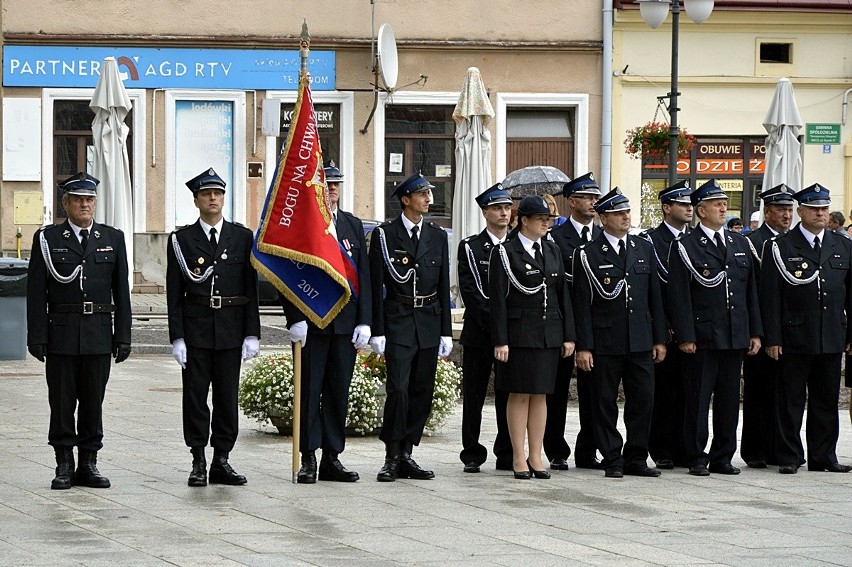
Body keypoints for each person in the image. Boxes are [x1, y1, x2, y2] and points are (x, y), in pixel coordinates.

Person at [27, 172, 132, 490]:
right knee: (61, 402)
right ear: (66, 204)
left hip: (99, 333)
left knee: (92, 402)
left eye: (89, 200)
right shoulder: (48, 240)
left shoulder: (112, 239)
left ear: (95, 203)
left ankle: (89, 462)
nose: (85, 205)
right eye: (78, 200)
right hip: (60, 333)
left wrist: (123, 335)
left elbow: (121, 293)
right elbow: (36, 293)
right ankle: (63, 463)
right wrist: (37, 335)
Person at [166, 168, 260, 487]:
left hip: (231, 329)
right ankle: (197, 459)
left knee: (225, 397)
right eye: (206, 194)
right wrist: (177, 337)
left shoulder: (242, 237)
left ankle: (222, 459)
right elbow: (174, 292)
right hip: (196, 331)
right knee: (194, 397)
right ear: (196, 200)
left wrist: (252, 333)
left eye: (218, 193)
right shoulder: (181, 240)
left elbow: (250, 290)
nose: (213, 198)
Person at [282, 162, 371, 483]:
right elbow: (289, 276)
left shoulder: (352, 225)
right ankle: (308, 457)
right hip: (313, 323)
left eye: (336, 184)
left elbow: (364, 277)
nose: (332, 189)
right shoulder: (303, 228)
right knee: (309, 391)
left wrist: (365, 321)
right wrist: (295, 318)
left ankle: (332, 457)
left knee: (337, 392)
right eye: (326, 184)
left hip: (345, 325)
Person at [667, 179, 762, 477]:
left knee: (729, 400)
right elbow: (679, 296)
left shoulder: (739, 242)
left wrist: (755, 331)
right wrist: (685, 336)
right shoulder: (685, 246)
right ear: (700, 210)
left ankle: (723, 455)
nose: (723, 207)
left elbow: (751, 293)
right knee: (697, 399)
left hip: (734, 333)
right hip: (703, 335)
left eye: (724, 203)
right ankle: (696, 455)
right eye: (716, 204)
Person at [573, 189, 667, 478]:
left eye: (627, 212)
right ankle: (612, 456)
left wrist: (659, 338)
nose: (626, 217)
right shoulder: (587, 253)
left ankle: (637, 456)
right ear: (603, 218)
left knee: (643, 400)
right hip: (605, 340)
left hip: (639, 338)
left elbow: (655, 298)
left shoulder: (643, 248)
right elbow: (581, 305)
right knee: (604, 402)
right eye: (618, 213)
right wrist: (584, 346)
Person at [760, 183, 852, 474]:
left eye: (824, 208)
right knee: (791, 400)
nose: (821, 214)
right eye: (814, 209)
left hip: (831, 334)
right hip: (794, 335)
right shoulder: (780, 246)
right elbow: (770, 296)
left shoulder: (843, 245)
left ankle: (824, 456)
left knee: (826, 400)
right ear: (801, 211)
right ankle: (789, 456)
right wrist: (772, 337)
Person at [369, 172, 452, 482]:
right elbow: (376, 286)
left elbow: (443, 285)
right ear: (406, 200)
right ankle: (391, 454)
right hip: (399, 319)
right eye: (422, 194)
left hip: (428, 320)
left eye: (428, 193)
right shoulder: (385, 235)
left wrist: (445, 329)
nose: (428, 199)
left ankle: (408, 453)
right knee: (399, 389)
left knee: (422, 390)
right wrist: (377, 329)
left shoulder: (437, 235)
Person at [490, 195, 576, 479]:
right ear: (524, 220)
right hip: (519, 334)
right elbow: (498, 301)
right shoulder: (506, 252)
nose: (545, 223)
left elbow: (562, 295)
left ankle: (536, 455)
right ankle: (517, 456)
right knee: (520, 394)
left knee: (541, 395)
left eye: (548, 219)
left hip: (548, 333)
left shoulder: (551, 250)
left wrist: (568, 336)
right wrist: (500, 339)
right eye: (540, 219)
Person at [546, 172, 602, 470]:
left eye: (596, 197)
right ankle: (556, 449)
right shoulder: (556, 237)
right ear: (572, 201)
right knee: (556, 392)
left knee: (594, 393)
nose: (594, 202)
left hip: (595, 326)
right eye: (587, 197)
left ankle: (588, 449)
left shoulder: (602, 236)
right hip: (564, 325)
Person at [457, 183, 513, 473]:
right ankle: (472, 452)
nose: (504, 213)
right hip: (480, 333)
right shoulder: (471, 247)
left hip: (511, 336)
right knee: (475, 395)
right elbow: (473, 292)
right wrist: (497, 328)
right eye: (498, 208)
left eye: (507, 207)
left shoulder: (518, 245)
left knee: (508, 394)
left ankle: (506, 451)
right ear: (485, 212)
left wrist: (509, 329)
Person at [740, 183, 794, 469]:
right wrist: (757, 331)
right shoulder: (753, 241)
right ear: (767, 211)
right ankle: (756, 449)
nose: (787, 215)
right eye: (781, 209)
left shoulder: (793, 241)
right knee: (758, 391)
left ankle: (780, 447)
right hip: (761, 326)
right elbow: (751, 290)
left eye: (790, 209)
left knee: (785, 393)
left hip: (789, 328)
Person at [642, 180, 693, 470]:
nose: (689, 208)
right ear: (666, 207)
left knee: (689, 393)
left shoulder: (695, 240)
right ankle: (660, 448)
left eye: (690, 204)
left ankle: (685, 447)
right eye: (682, 204)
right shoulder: (652, 241)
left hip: (690, 329)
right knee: (663, 393)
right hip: (664, 329)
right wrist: (663, 327)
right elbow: (654, 290)